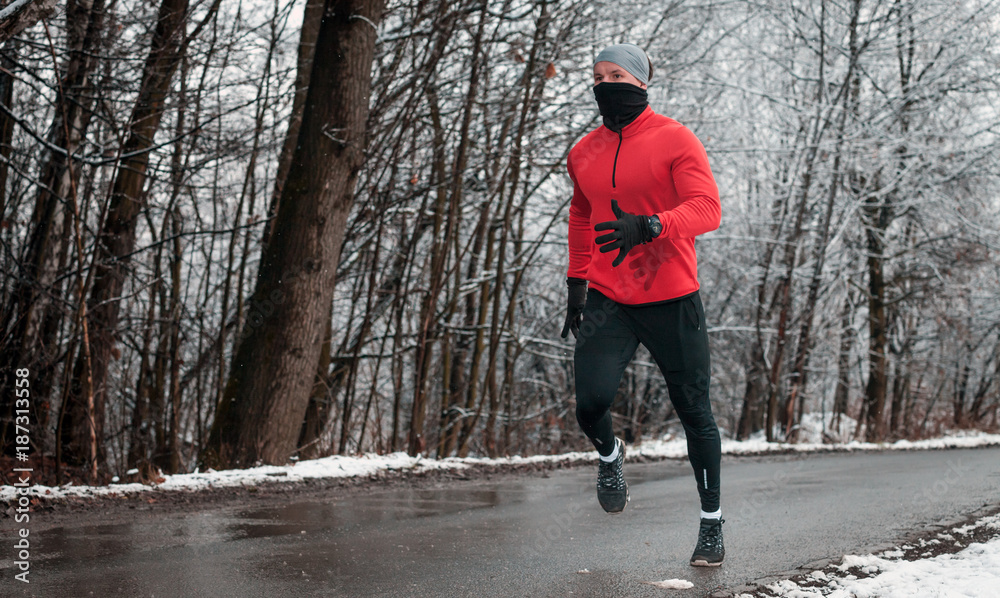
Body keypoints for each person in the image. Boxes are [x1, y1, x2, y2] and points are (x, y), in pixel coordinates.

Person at [560, 43, 725, 567]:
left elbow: (708, 209)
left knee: (694, 411)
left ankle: (711, 524)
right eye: (598, 76)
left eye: (616, 75)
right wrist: (576, 282)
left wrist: (652, 224)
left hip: (673, 294)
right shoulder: (582, 152)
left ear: (640, 82)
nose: (605, 84)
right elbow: (582, 215)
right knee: (589, 403)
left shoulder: (675, 138)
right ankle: (610, 456)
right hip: (610, 294)